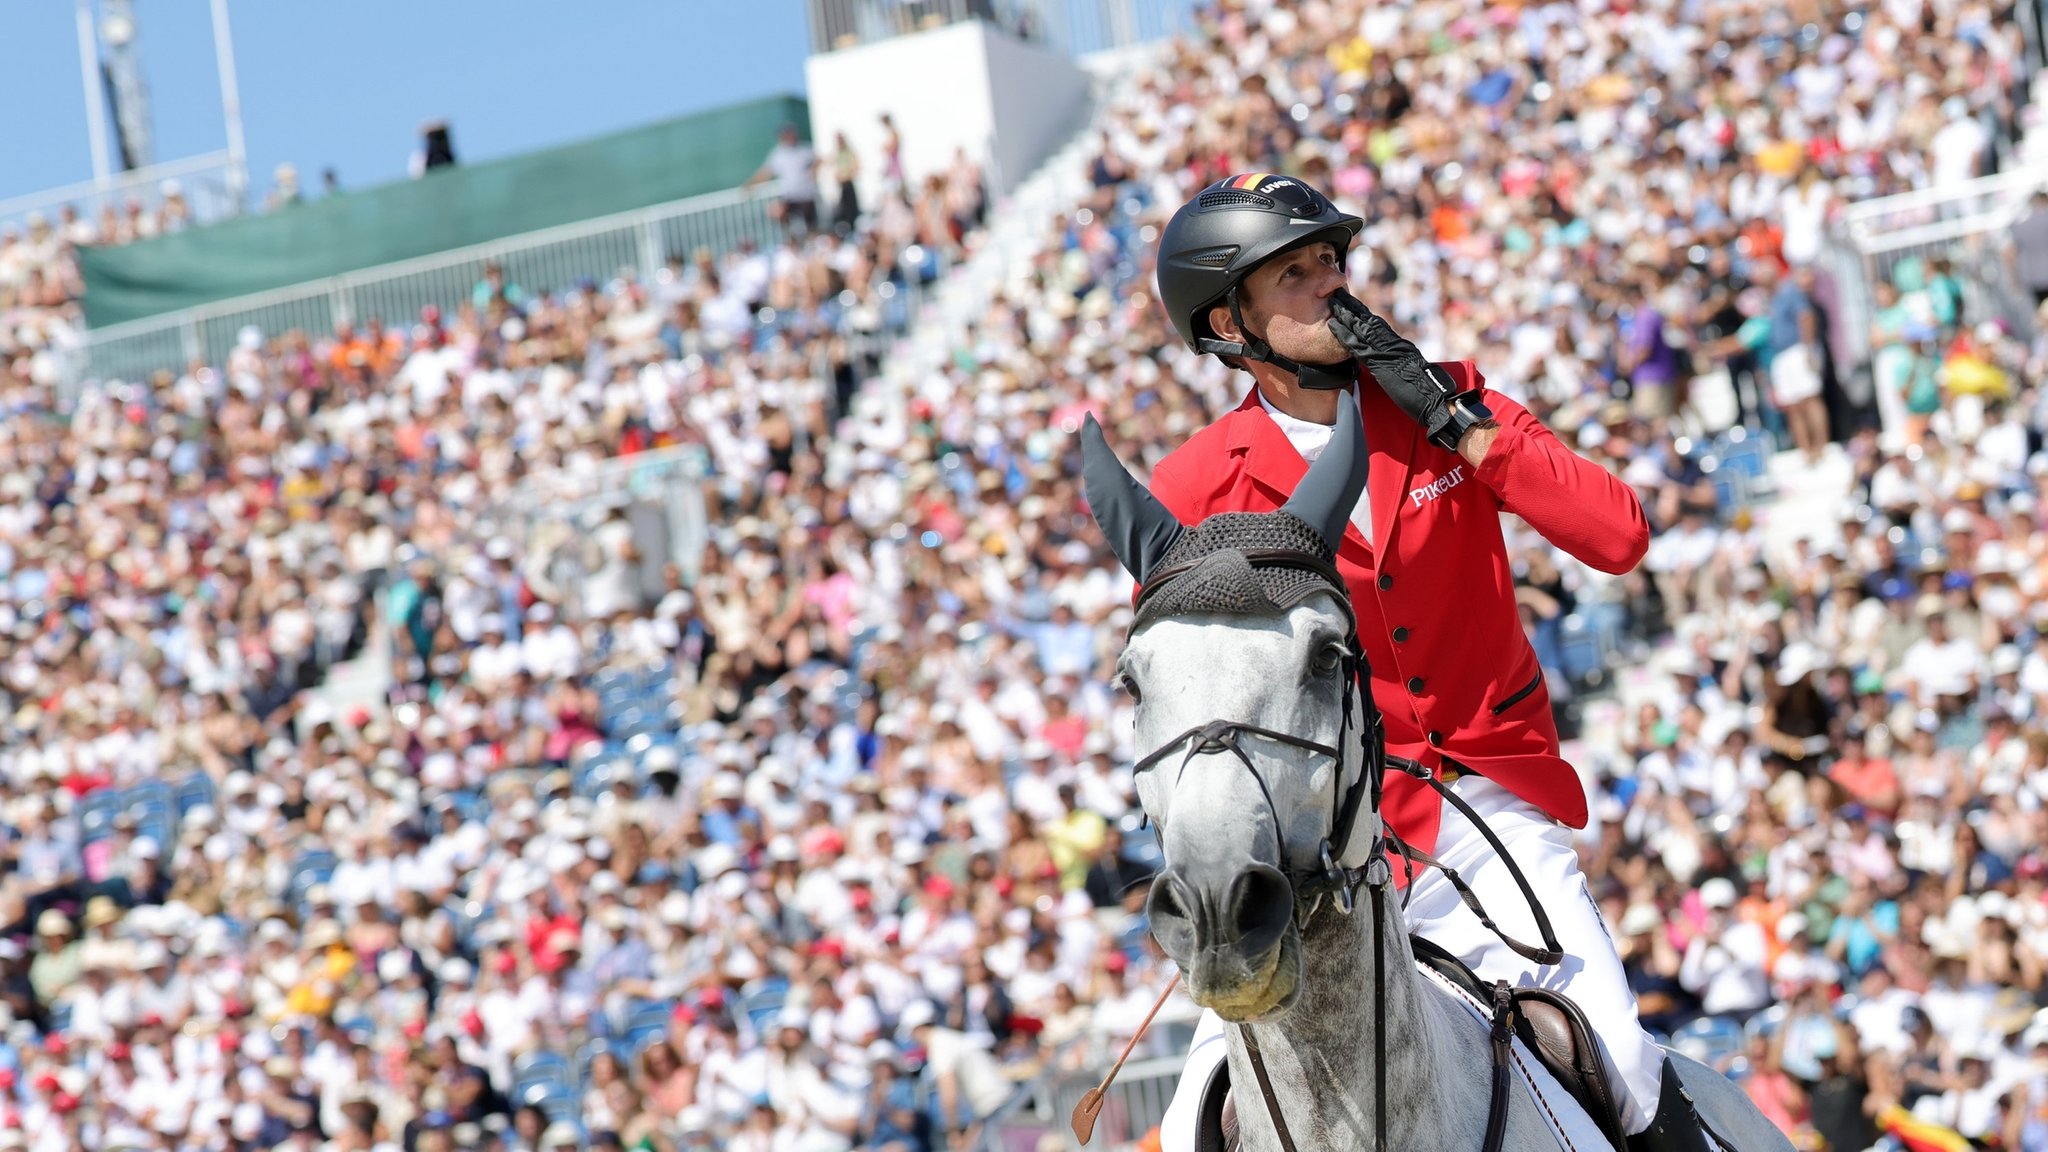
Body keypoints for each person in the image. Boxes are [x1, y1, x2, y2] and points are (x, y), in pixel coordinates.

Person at [1141, 175, 1704, 1152]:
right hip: (1326, 844)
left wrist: (1457, 426)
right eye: (1294, 272)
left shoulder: (1450, 398)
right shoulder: (1194, 485)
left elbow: (1615, 536)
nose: (1331, 285)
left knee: (1619, 1056)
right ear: (1227, 318)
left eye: (1331, 262)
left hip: (1488, 803)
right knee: (1194, 1122)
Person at [749, 124, 820, 236]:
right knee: (776, 212)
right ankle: (793, 235)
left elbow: (819, 160)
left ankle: (811, 240)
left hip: (807, 194)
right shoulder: (778, 154)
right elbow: (766, 172)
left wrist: (814, 172)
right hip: (790, 195)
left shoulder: (805, 149)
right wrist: (751, 185)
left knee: (811, 224)